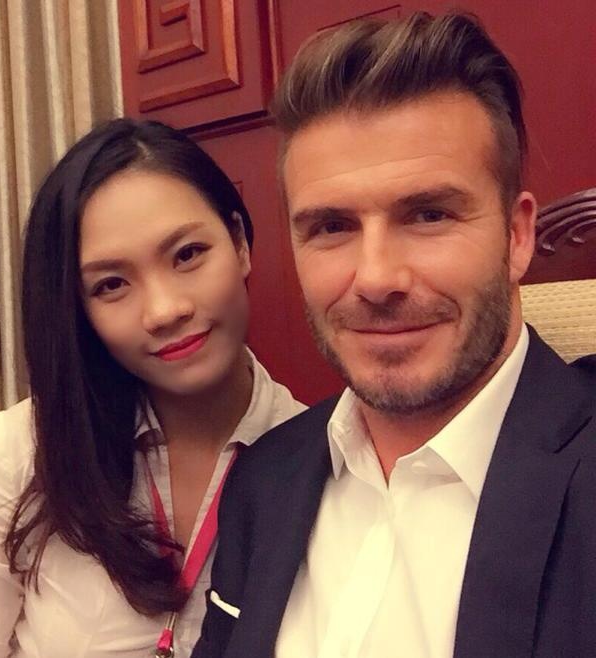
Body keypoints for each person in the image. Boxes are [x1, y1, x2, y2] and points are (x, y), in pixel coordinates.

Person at [193, 12, 596, 658]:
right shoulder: (262, 483)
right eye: (331, 227)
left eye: (429, 214)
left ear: (517, 236)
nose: (377, 279)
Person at [0, 118, 305, 657]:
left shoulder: (323, 461)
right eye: (111, 284)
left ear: (240, 243)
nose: (165, 310)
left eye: (187, 254)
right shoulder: (24, 448)